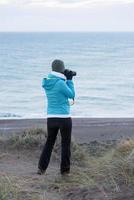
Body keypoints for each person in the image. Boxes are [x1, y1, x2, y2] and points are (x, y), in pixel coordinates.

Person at [38, 59, 75, 175]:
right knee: (65, 144)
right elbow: (71, 95)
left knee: (49, 142)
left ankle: (41, 168)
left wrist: (64, 79)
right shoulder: (60, 83)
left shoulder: (47, 82)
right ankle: (64, 171)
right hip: (64, 117)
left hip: (51, 118)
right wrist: (69, 80)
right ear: (61, 70)